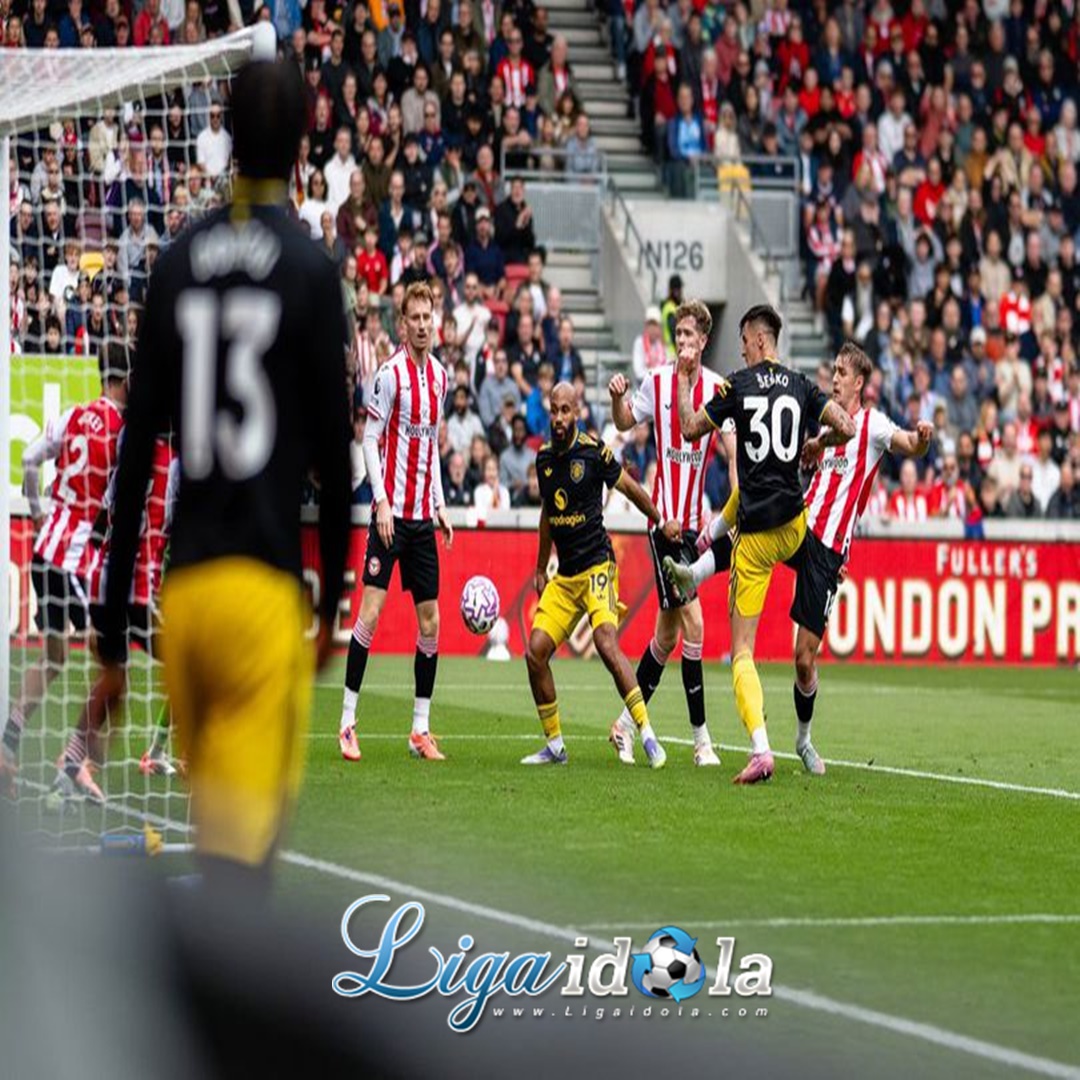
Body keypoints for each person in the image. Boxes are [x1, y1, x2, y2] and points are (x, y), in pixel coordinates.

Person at [95, 58, 353, 897]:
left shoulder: (175, 264)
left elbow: (136, 456)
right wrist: (335, 603)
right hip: (259, 601)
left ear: (225, 134)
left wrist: (108, 638)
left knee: (216, 851)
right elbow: (339, 459)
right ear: (304, 141)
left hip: (187, 602)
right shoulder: (312, 273)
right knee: (242, 880)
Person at [669, 304, 854, 784]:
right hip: (794, 524)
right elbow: (849, 427)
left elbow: (689, 427)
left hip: (754, 538)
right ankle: (706, 553)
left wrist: (687, 377)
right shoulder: (800, 383)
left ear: (757, 338)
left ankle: (761, 749)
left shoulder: (737, 385)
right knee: (784, 527)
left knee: (741, 653)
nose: (742, 347)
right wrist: (819, 443)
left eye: (744, 339)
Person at [606, 300, 734, 766]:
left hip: (695, 525)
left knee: (664, 638)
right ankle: (702, 741)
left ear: (703, 340)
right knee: (696, 626)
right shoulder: (657, 380)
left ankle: (622, 726)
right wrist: (618, 397)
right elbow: (624, 423)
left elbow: (731, 445)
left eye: (689, 336)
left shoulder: (718, 388)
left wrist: (734, 501)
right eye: (676, 335)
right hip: (664, 524)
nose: (681, 343)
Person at [0, 345, 128, 798]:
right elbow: (117, 503)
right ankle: (74, 762)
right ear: (124, 380)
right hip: (74, 558)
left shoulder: (72, 415)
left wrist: (38, 513)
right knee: (113, 664)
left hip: (43, 549)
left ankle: (8, 746)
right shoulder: (121, 431)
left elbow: (30, 460)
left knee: (53, 658)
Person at [523, 383, 673, 768]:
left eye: (565, 411)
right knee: (535, 652)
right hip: (566, 575)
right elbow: (546, 516)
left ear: (578, 412)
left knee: (606, 644)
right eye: (554, 410)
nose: (558, 419)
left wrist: (660, 521)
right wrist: (541, 567)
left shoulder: (593, 453)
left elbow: (628, 487)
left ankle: (648, 735)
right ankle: (555, 746)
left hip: (598, 567)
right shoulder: (543, 459)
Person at [340, 281, 454, 763]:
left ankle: (420, 729)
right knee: (368, 614)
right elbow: (369, 440)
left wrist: (441, 503)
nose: (423, 325)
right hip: (390, 519)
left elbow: (429, 449)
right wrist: (381, 501)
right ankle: (347, 722)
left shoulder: (441, 378)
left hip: (422, 521)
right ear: (402, 324)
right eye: (416, 318)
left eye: (429, 317)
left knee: (431, 621)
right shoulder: (389, 376)